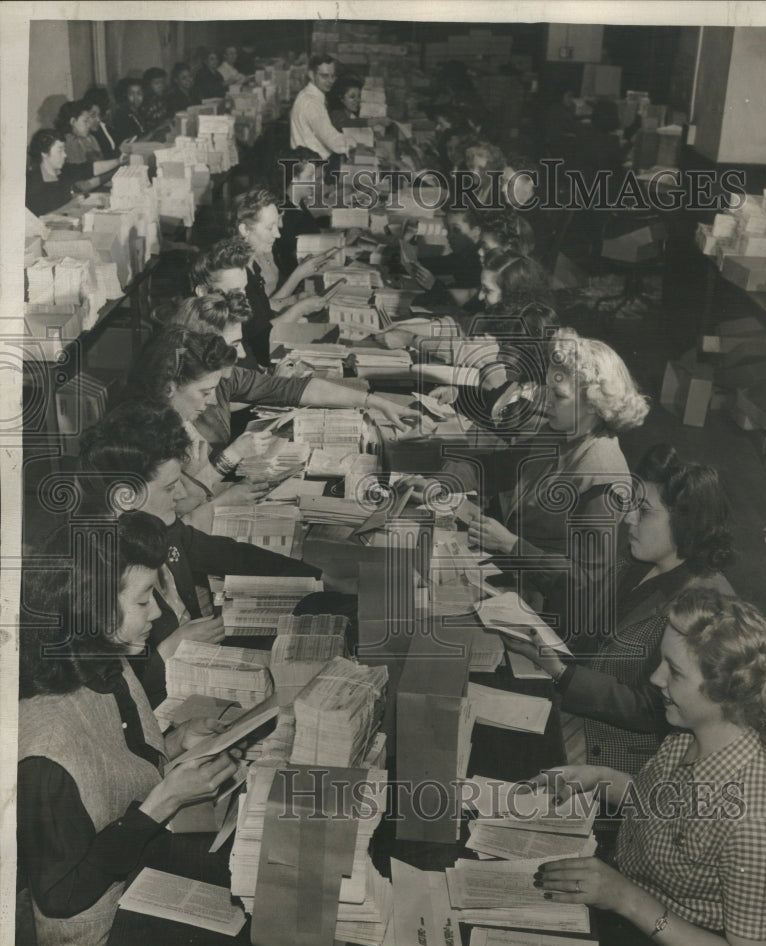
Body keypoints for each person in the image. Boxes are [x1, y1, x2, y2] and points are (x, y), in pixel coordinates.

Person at [17, 511, 239, 946]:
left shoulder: (105, 662)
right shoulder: (43, 751)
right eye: (142, 601)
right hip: (94, 934)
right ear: (93, 612)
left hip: (140, 863)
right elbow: (61, 898)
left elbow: (109, 764)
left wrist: (176, 740)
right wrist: (166, 800)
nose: (156, 613)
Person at [532, 589, 766, 946]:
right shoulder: (691, 732)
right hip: (626, 904)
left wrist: (625, 898)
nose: (655, 677)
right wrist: (600, 779)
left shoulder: (755, 821)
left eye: (674, 670)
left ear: (725, 693)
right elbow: (665, 809)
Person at [507, 443, 735, 775]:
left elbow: (654, 709)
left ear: (685, 524)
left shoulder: (703, 604)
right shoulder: (635, 560)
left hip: (614, 750)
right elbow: (592, 627)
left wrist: (561, 672)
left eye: (643, 511)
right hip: (577, 709)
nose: (628, 518)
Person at [78, 402, 321, 706]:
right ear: (125, 497)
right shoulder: (90, 573)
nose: (181, 495)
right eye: (169, 488)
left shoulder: (159, 526)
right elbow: (102, 696)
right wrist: (169, 651)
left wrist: (318, 575)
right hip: (161, 698)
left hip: (201, 663)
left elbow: (234, 556)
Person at [465, 328, 649, 638]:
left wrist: (510, 544)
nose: (546, 400)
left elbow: (584, 577)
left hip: (555, 618)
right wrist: (445, 485)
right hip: (518, 580)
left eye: (559, 396)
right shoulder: (559, 431)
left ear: (593, 404)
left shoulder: (603, 474)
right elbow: (499, 468)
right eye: (548, 389)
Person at [188, 238, 424, 442]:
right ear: (201, 292)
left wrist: (376, 402)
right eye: (230, 293)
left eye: (242, 291)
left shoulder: (228, 327)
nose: (240, 299)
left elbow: (291, 388)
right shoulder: (189, 348)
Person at [125, 325, 278, 526]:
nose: (213, 401)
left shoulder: (180, 423)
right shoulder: (142, 438)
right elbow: (165, 528)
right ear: (169, 387)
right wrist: (224, 501)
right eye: (205, 392)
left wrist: (237, 491)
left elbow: (196, 492)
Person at [232, 188, 334, 364]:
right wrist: (299, 308)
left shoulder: (252, 265)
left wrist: (295, 301)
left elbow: (262, 314)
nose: (277, 234)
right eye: (269, 227)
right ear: (244, 229)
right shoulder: (236, 275)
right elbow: (261, 342)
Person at [25, 129, 121, 217]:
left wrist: (118, 161)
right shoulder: (32, 182)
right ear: (44, 154)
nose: (64, 155)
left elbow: (91, 168)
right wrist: (70, 205)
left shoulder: (63, 171)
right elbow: (39, 219)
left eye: (64, 150)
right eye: (60, 150)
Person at [271, 147, 328, 282]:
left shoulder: (297, 203)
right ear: (293, 178)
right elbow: (292, 262)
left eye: (320, 178)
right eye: (312, 177)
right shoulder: (285, 214)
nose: (319, 183)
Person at [290, 54, 357, 161]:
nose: (330, 81)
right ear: (312, 75)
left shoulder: (307, 94)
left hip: (308, 160)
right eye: (325, 76)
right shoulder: (312, 103)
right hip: (311, 166)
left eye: (333, 76)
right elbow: (332, 140)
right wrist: (357, 144)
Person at [55, 100, 103, 165]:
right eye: (85, 121)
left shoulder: (91, 138)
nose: (89, 125)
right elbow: (81, 171)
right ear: (73, 121)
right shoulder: (68, 142)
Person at [83, 85, 118, 158]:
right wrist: (119, 151)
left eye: (99, 114)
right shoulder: (85, 134)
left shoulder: (104, 127)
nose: (98, 119)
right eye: (93, 115)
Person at [109, 78, 146, 146]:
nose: (136, 98)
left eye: (139, 93)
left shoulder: (140, 111)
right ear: (124, 95)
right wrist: (154, 132)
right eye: (131, 94)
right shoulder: (121, 115)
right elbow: (130, 144)